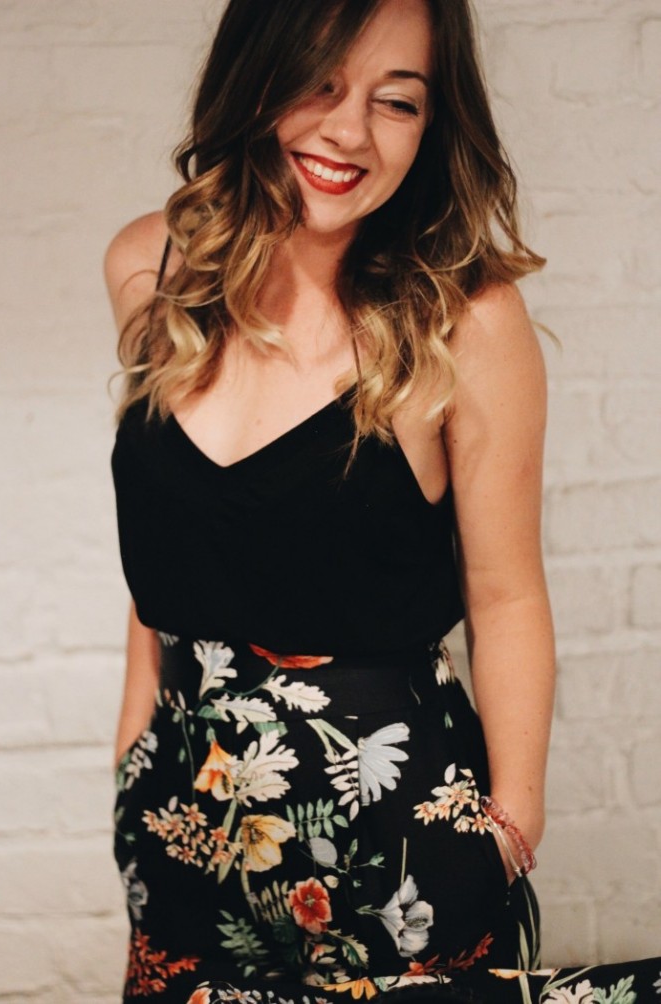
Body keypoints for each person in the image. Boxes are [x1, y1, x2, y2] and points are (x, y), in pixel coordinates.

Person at [105, 1, 661, 1002]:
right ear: (254, 79)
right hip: (181, 831)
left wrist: (510, 826)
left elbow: (505, 594)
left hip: (396, 848)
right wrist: (132, 754)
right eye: (318, 83)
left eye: (395, 102)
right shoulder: (151, 268)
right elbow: (172, 546)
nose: (348, 131)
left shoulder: (465, 319)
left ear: (433, 123)